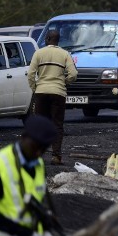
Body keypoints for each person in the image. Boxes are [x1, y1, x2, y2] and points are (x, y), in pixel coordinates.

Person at [0, 115, 58, 236]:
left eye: (43, 149)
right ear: (24, 138)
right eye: (35, 147)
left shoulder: (37, 164)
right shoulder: (2, 165)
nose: (39, 153)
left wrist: (46, 228)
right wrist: (25, 234)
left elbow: (37, 201)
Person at [27, 30, 78, 165]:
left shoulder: (39, 53)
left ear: (48, 38)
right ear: (58, 40)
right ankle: (56, 156)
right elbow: (73, 74)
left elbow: (30, 74)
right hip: (58, 93)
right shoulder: (64, 54)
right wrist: (64, 82)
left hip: (41, 92)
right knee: (57, 125)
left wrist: (35, 88)